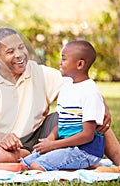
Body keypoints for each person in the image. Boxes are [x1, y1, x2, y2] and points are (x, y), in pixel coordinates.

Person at [0, 27, 120, 168]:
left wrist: (103, 106)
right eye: (10, 51)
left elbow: (81, 88)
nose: (19, 54)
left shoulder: (39, 72)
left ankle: (118, 159)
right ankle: (34, 156)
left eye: (21, 47)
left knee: (92, 116)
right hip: (3, 143)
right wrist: (2, 138)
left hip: (41, 134)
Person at [19, 40, 105, 171]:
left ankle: (86, 165)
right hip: (66, 147)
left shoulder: (90, 91)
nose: (60, 62)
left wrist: (54, 145)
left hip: (85, 151)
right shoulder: (66, 87)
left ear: (80, 64)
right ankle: (80, 166)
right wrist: (49, 141)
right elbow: (61, 121)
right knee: (24, 164)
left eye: (64, 59)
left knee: (37, 167)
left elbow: (88, 135)